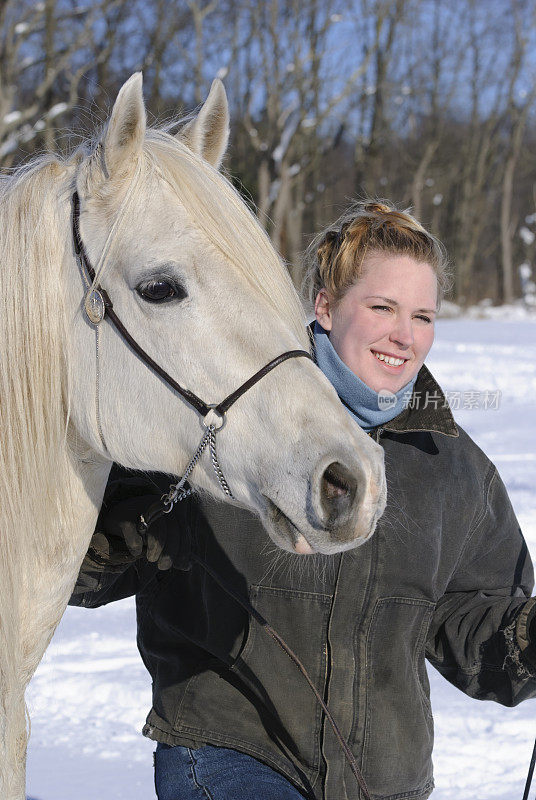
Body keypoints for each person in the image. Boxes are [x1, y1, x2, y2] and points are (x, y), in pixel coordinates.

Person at [70, 201, 536, 800]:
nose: (405, 335)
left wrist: (526, 637)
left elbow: (473, 626)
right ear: (323, 305)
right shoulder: (231, 414)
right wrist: (127, 535)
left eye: (423, 315)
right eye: (382, 307)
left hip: (385, 779)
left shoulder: (451, 465)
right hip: (231, 750)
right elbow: (83, 567)